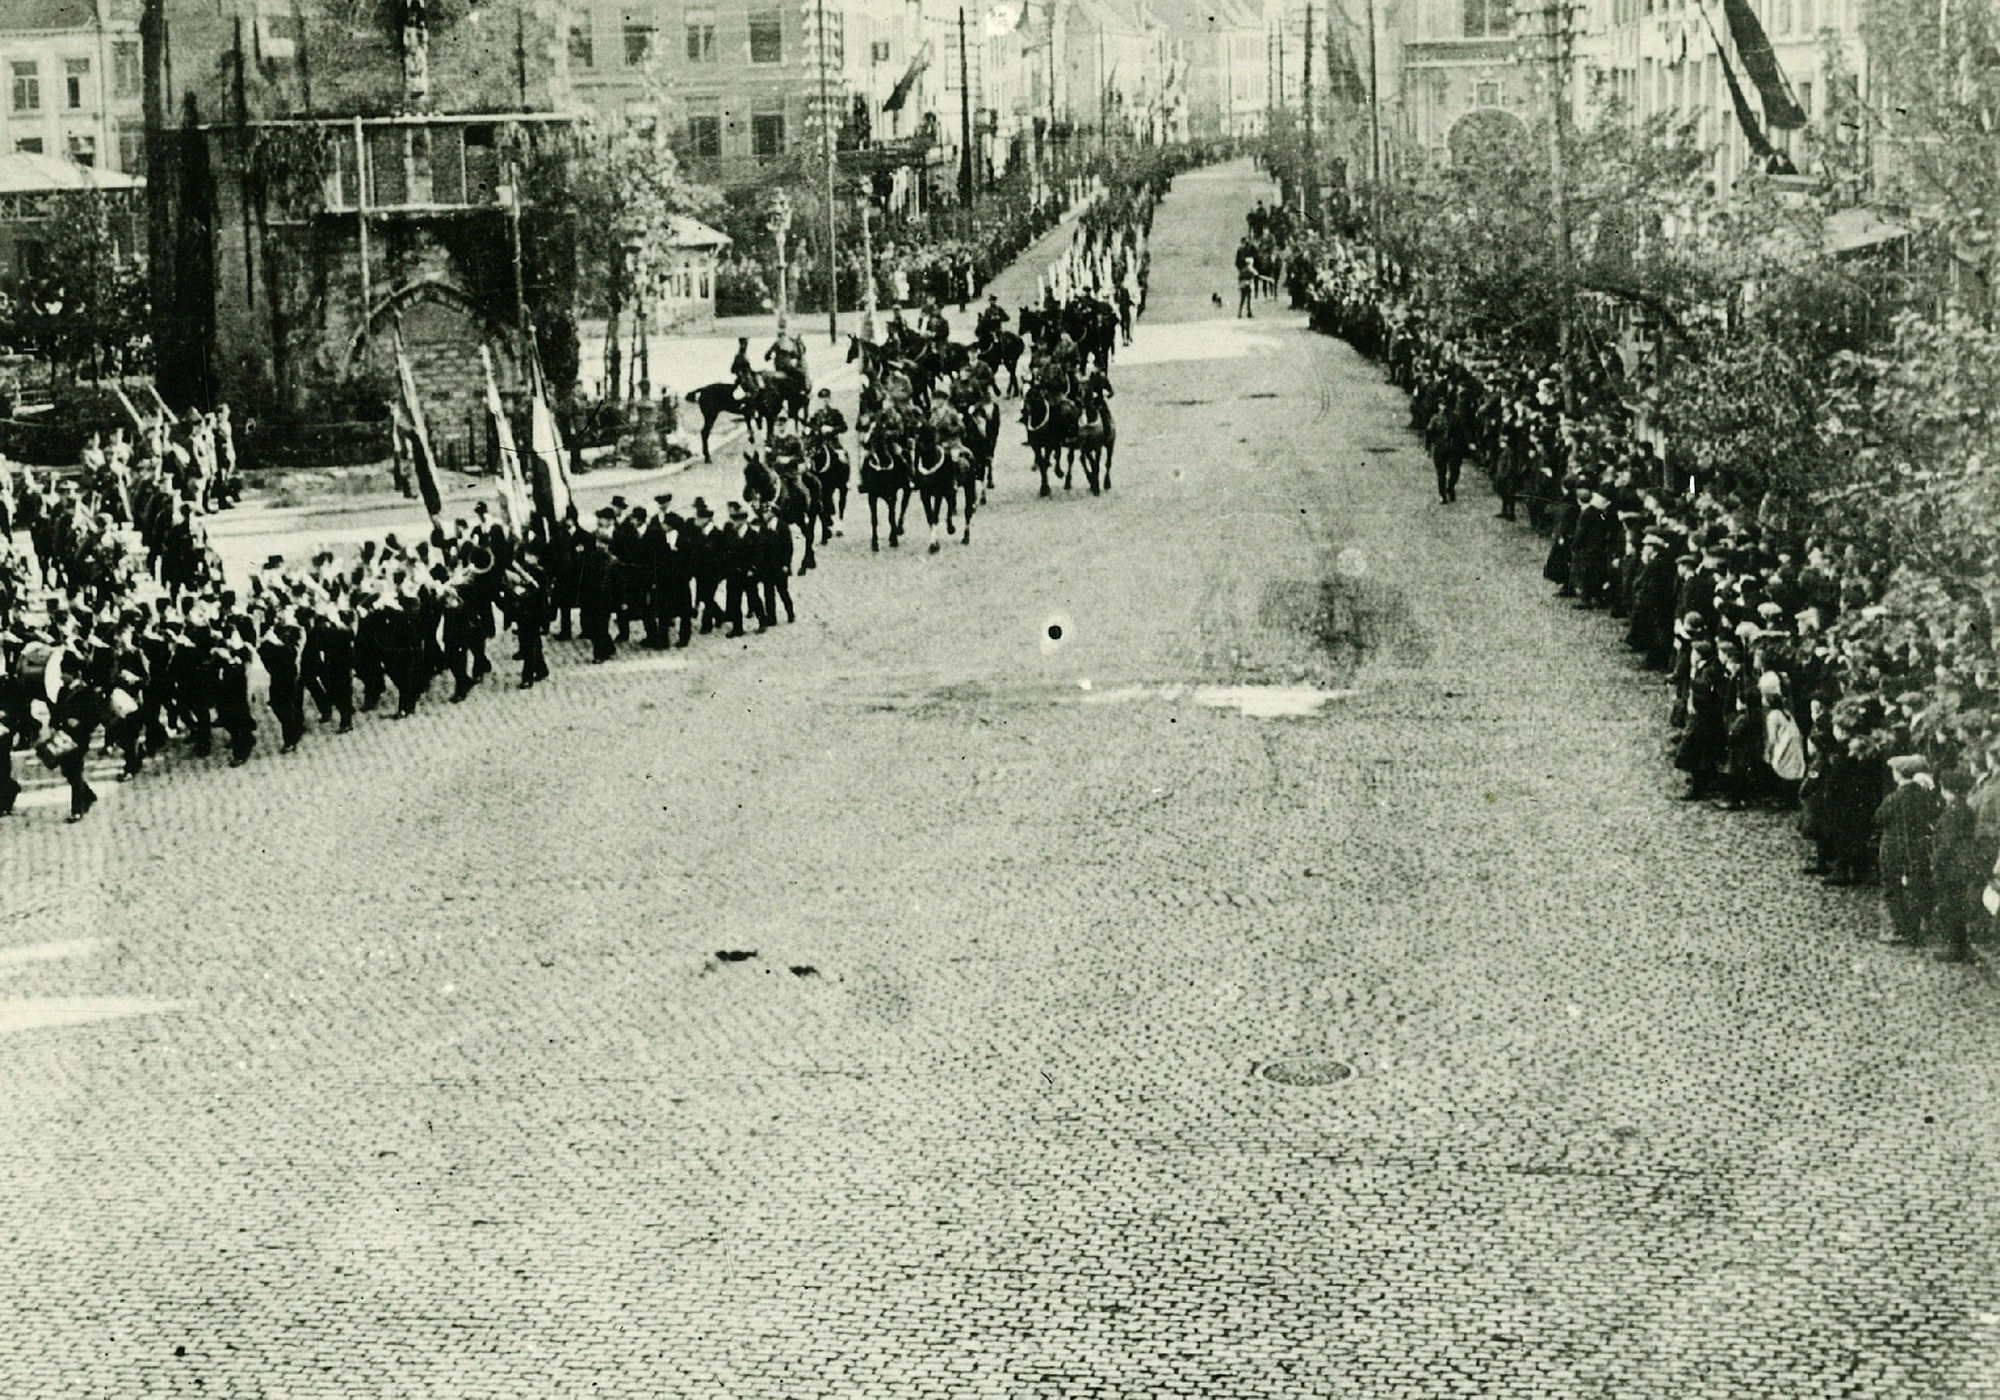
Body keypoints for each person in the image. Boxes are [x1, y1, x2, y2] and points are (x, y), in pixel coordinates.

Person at [1875, 754, 1942, 946]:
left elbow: (1879, 817)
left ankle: (1901, 929)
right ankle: (1915, 927)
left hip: (1893, 848)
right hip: (1917, 847)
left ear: (1900, 774)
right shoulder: (1921, 793)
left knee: (1893, 889)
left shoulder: (1895, 798)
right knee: (1913, 888)